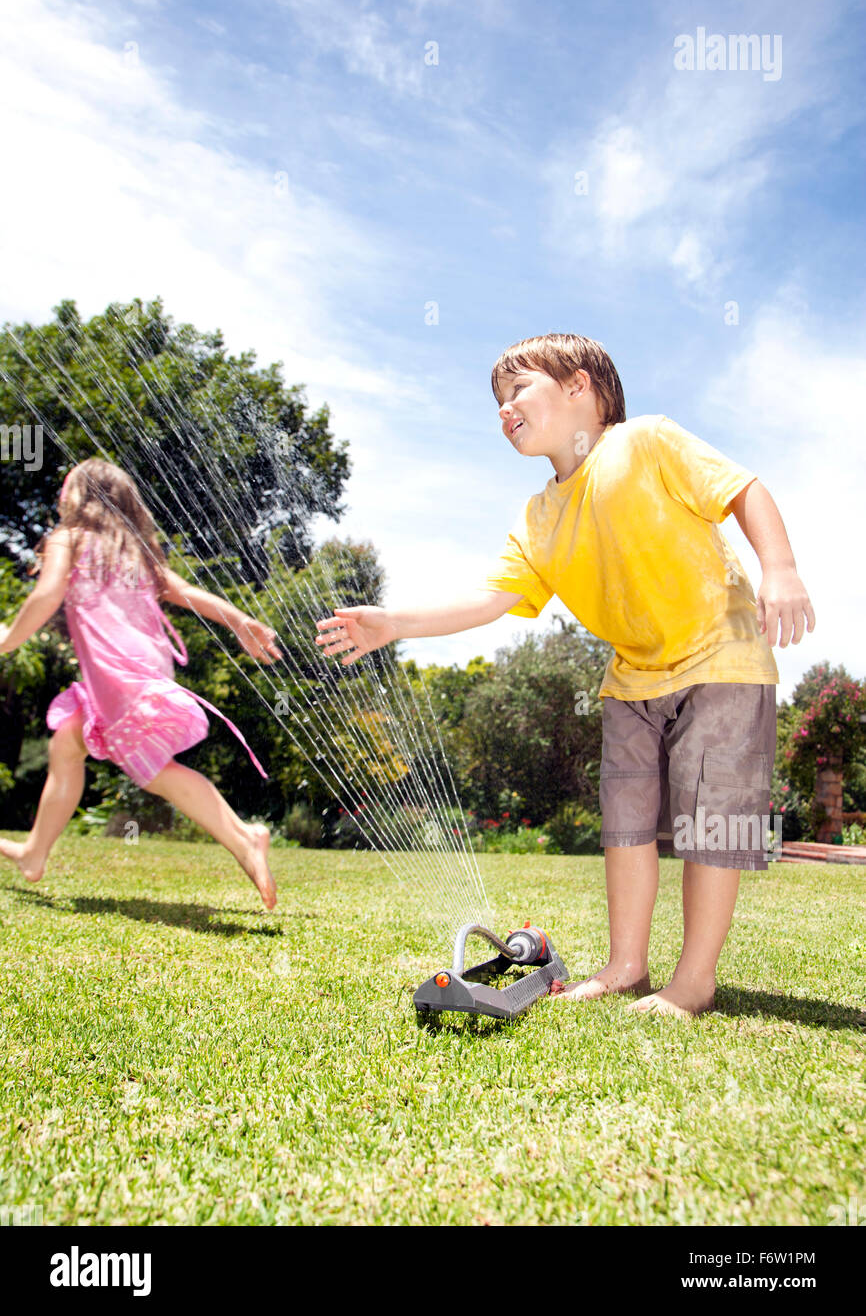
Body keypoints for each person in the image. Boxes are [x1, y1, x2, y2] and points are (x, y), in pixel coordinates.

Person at [313, 333, 816, 1018]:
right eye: (497, 400)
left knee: (714, 827)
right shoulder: (539, 516)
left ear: (580, 386)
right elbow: (491, 599)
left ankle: (694, 980)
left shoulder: (646, 441)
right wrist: (395, 622)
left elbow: (743, 489)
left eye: (518, 389)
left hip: (721, 659)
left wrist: (779, 568)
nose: (504, 408)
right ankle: (626, 966)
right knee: (626, 827)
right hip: (632, 679)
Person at [0, 458, 281, 908]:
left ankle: (244, 836)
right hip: (140, 672)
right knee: (67, 744)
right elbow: (185, 592)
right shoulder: (134, 551)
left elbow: (47, 594)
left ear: (77, 498)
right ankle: (34, 852)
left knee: (154, 772)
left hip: (117, 679)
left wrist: (8, 640)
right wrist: (239, 619)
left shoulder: (68, 538)